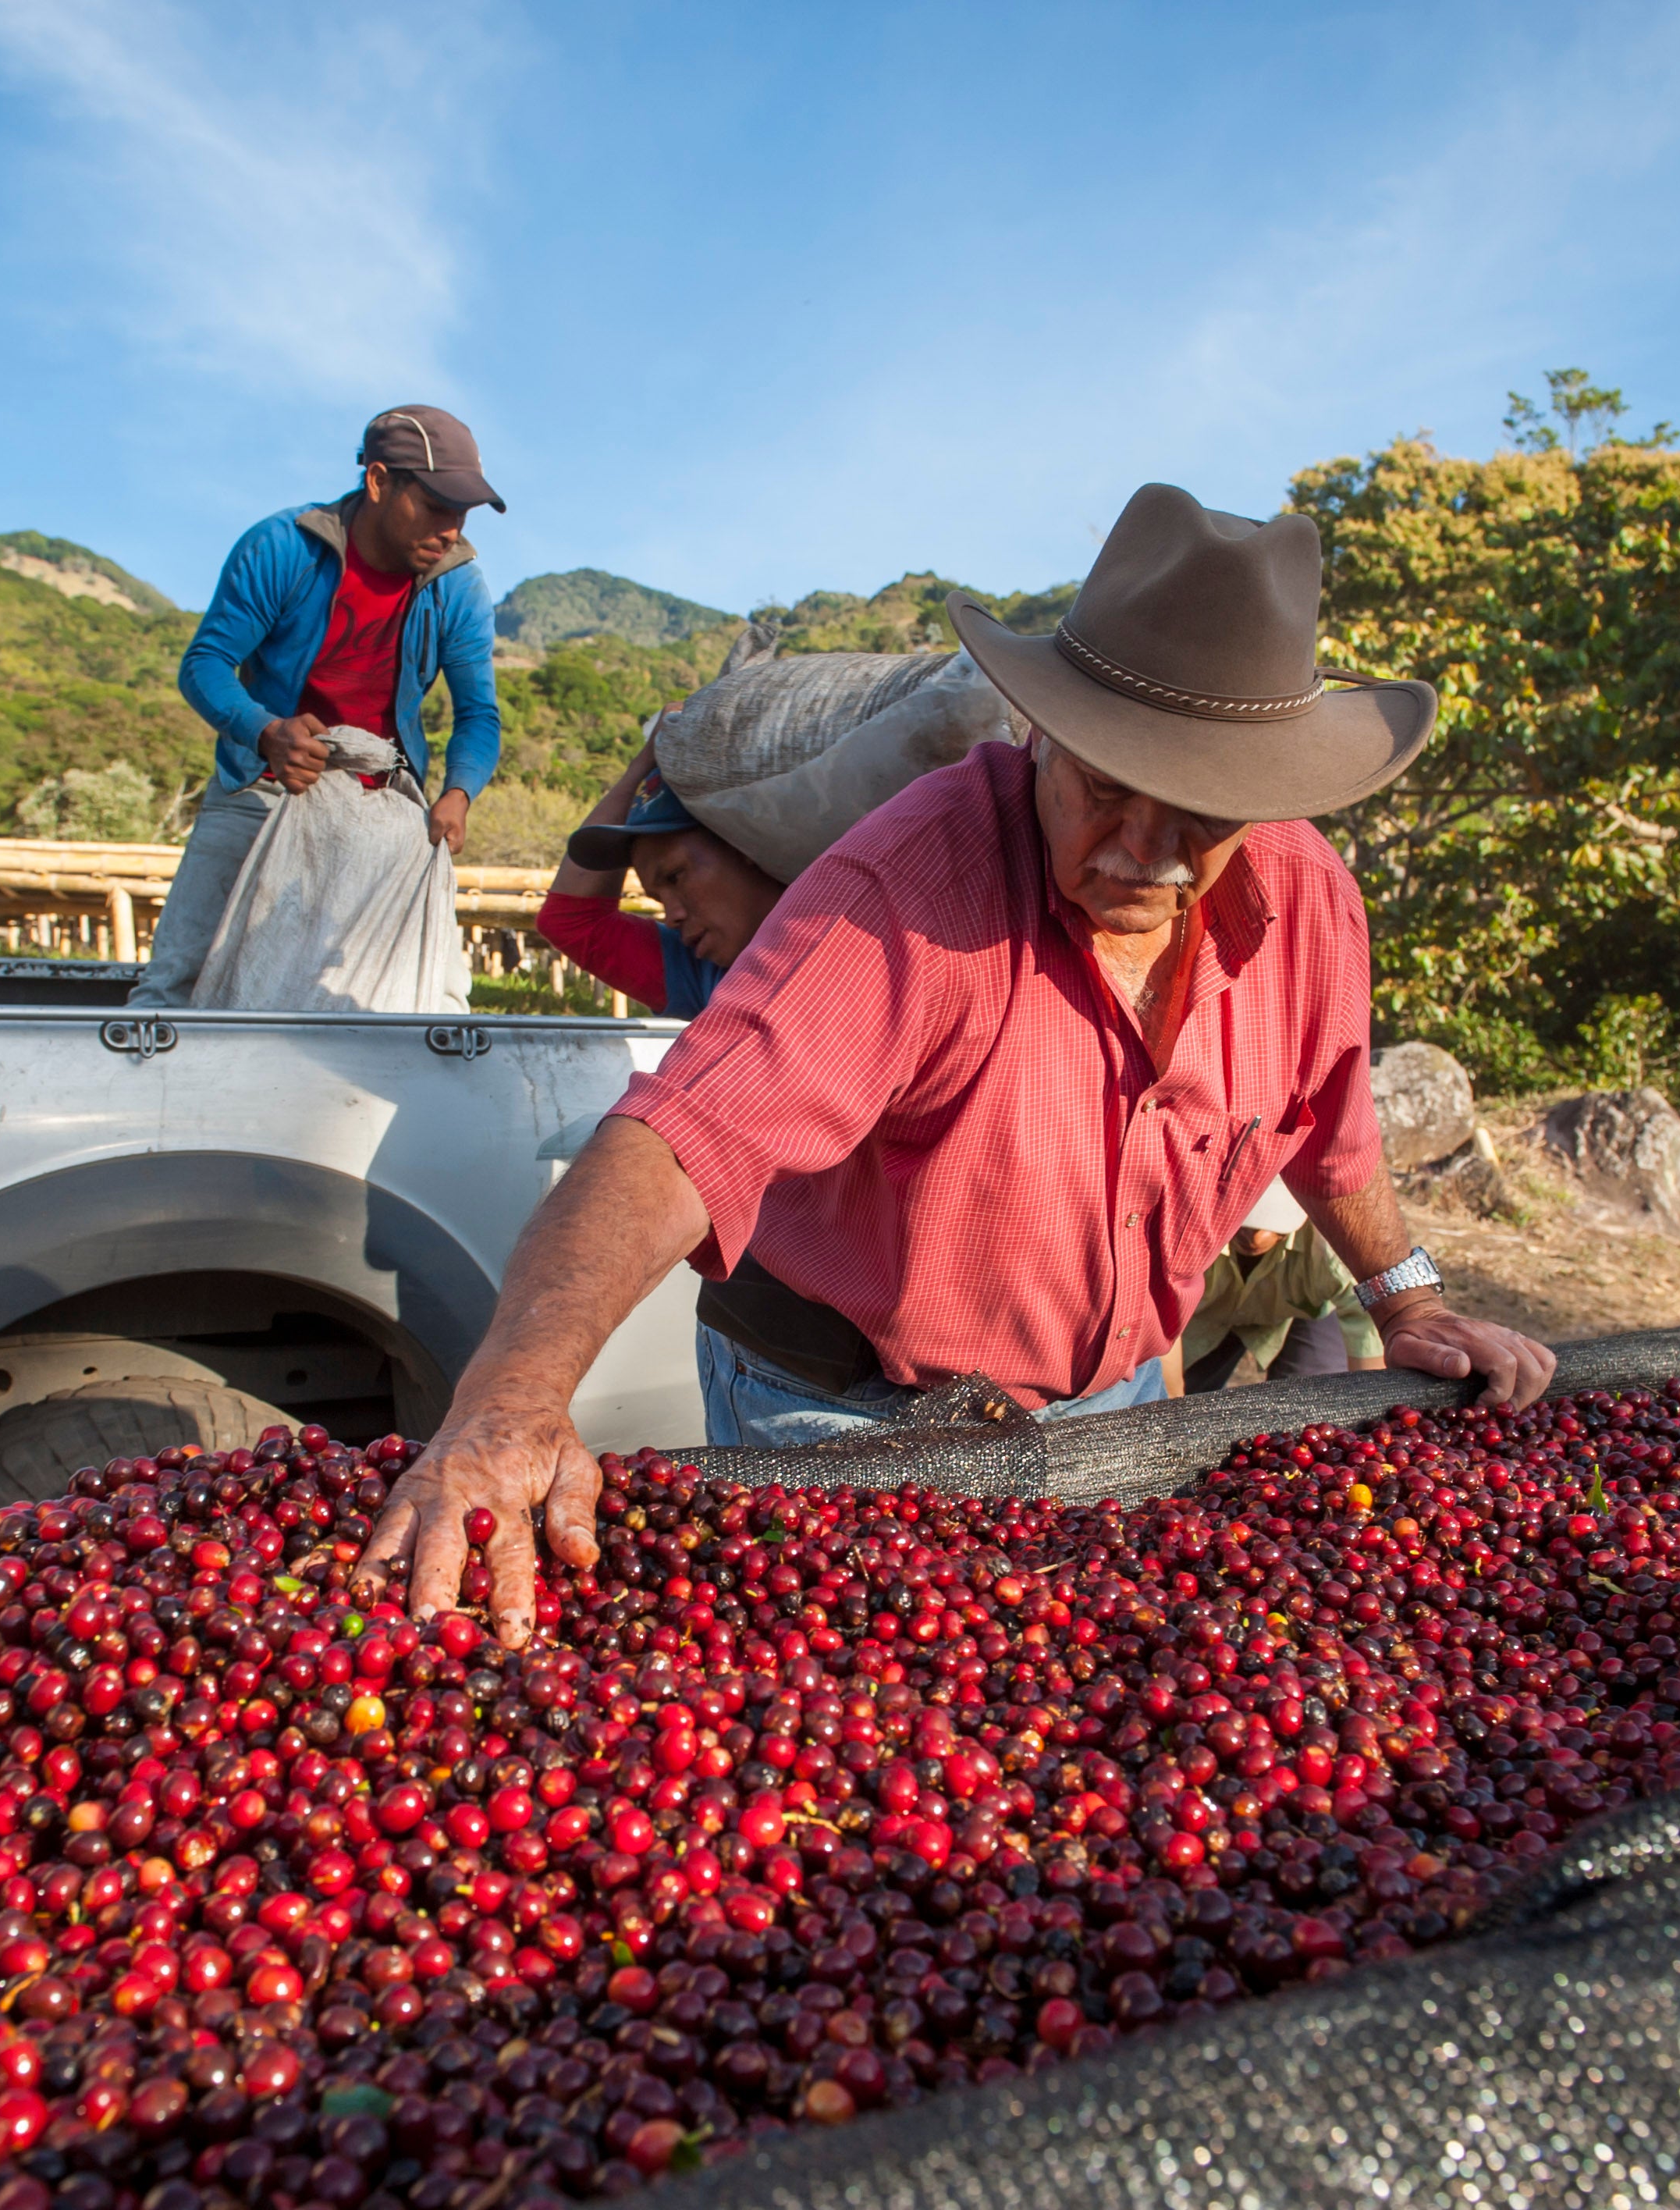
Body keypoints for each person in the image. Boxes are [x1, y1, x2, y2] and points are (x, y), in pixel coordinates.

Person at [355, 485, 1560, 1641]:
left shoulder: (1311, 905)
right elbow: (683, 1137)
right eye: (1107, 790)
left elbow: (1330, 1124)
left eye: (1198, 814)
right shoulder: (909, 885)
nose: (1143, 853)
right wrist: (513, 1397)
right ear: (1043, 732)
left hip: (1114, 1403)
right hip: (840, 1406)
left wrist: (1412, 1303)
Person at [130, 409, 506, 1008]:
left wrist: (459, 792)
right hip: (267, 783)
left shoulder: (457, 584)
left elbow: (478, 716)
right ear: (380, 481)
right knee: (177, 984)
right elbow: (205, 664)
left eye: (462, 513)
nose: (451, 530)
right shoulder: (284, 547)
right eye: (437, 507)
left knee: (438, 998)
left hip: (380, 802)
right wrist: (265, 731)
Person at [538, 741, 784, 1014]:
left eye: (675, 877)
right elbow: (571, 920)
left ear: (741, 841)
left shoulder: (839, 923)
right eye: (657, 898)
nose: (671, 917)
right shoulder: (699, 972)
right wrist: (644, 763)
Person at [1174, 1181, 1383, 1393]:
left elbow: (1364, 1317)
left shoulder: (1327, 1246)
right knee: (1192, 1395)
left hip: (1306, 1312)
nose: (1253, 1237)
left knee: (1310, 1399)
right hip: (1209, 1318)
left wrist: (1373, 1403)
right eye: (1244, 1225)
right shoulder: (1188, 1235)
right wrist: (1173, 1396)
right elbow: (1159, 1317)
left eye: (1266, 1226)